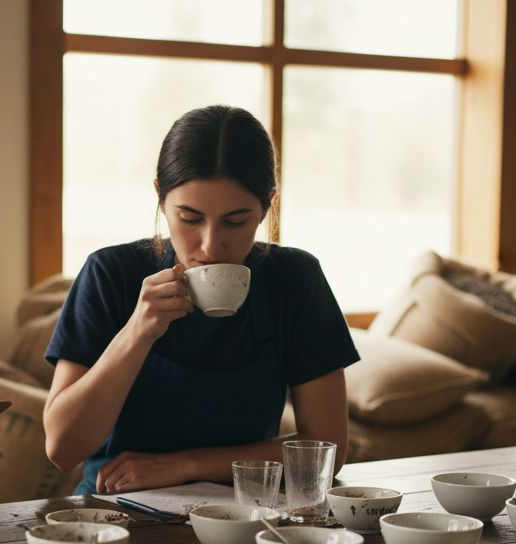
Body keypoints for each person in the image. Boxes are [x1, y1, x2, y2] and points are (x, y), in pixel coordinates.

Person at [44, 105, 359, 495]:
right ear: (160, 196)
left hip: (245, 515)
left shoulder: (294, 280)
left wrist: (183, 466)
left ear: (267, 207)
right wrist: (137, 332)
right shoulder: (111, 274)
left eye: (236, 221)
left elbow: (328, 451)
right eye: (190, 218)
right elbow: (62, 448)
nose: (211, 245)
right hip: (115, 512)